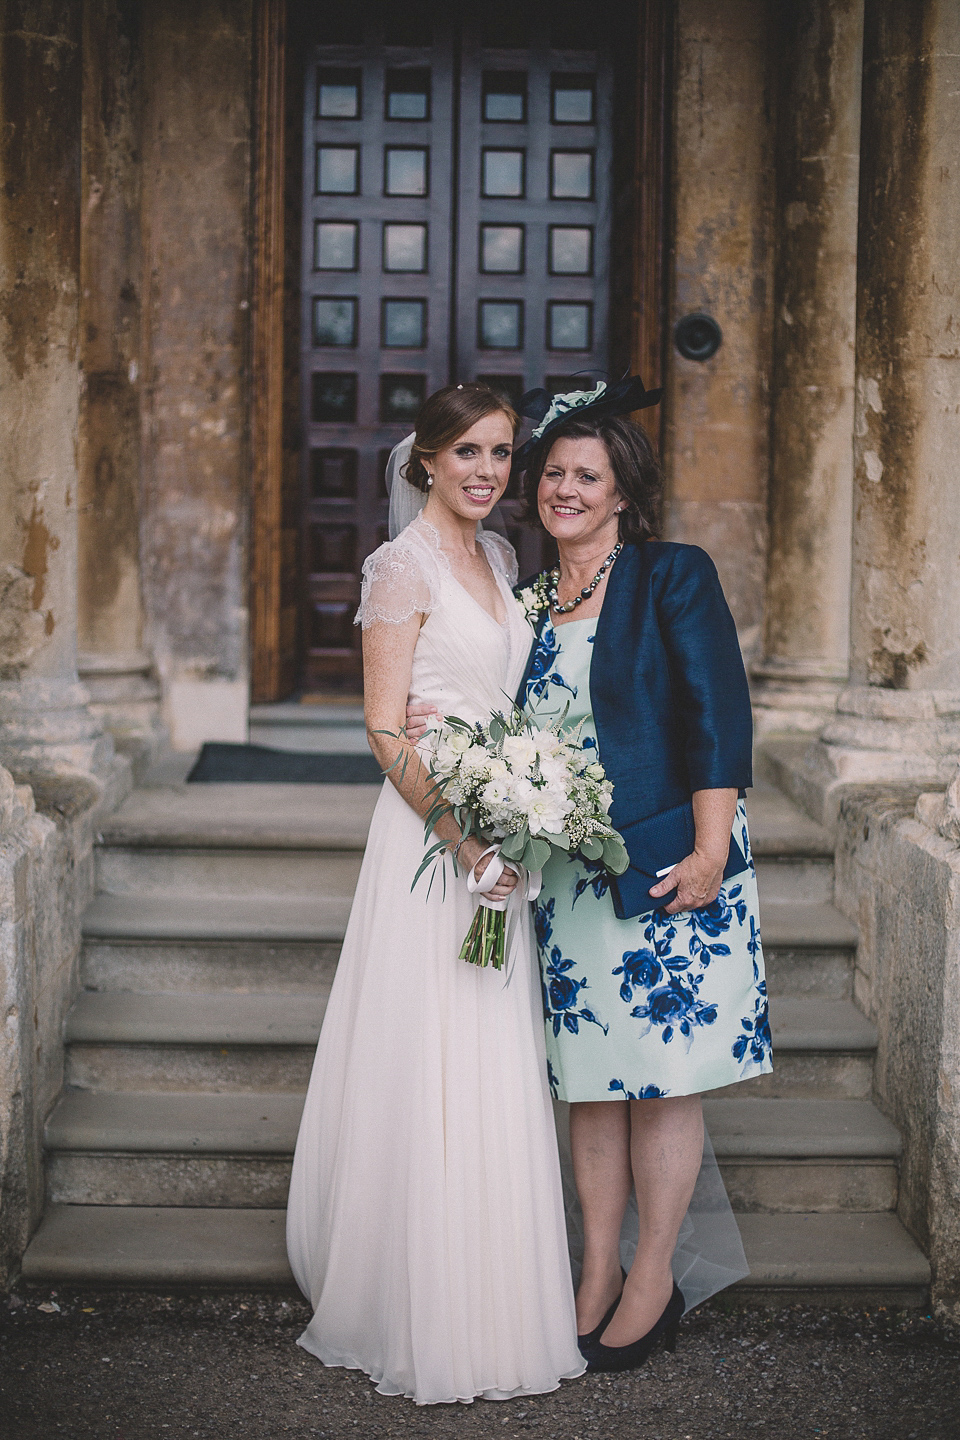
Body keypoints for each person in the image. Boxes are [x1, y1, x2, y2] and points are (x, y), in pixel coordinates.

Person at [408, 378, 768, 1374]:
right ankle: (595, 1272)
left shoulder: (669, 575)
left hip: (667, 865)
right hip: (567, 885)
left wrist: (708, 850)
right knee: (592, 1086)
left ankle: (655, 1277)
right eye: (554, 472)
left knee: (663, 1082)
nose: (566, 489)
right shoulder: (528, 599)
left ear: (621, 493)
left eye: (588, 476)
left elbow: (715, 714)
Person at [285, 383, 585, 1405]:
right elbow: (385, 730)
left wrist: (526, 810)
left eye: (502, 453)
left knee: (491, 1056)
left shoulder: (502, 559)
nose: (488, 473)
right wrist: (464, 842)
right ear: (424, 461)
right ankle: (414, 1301)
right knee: (429, 1052)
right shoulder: (398, 567)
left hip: (506, 834)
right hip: (432, 845)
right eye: (467, 453)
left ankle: (498, 1297)